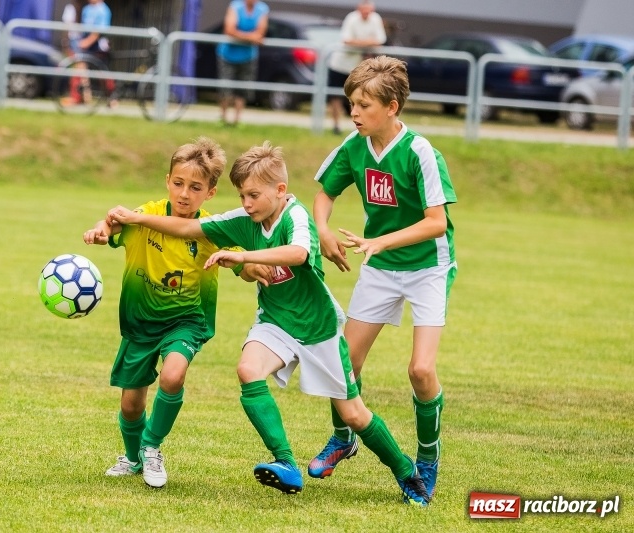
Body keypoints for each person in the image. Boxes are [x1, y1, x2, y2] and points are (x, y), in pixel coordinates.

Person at [106, 141, 430, 505]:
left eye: (254, 195)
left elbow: (298, 253)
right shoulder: (245, 220)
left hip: (317, 328)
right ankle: (286, 462)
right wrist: (134, 219)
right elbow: (185, 230)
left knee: (354, 415)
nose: (246, 204)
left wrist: (240, 254)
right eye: (242, 195)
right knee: (247, 369)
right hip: (274, 323)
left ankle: (407, 473)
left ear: (280, 191)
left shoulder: (295, 217)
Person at [311, 55, 457, 502]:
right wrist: (323, 230)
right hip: (381, 266)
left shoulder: (421, 153)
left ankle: (426, 460)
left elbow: (436, 222)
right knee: (344, 364)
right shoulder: (354, 146)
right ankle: (343, 438)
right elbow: (323, 192)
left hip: (428, 267)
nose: (354, 113)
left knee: (420, 370)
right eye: (351, 103)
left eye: (364, 105)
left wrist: (381, 242)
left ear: (392, 107)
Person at [82, 137, 264, 489]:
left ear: (210, 193)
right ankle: (133, 457)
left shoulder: (213, 228)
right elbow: (115, 222)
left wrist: (252, 268)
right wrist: (101, 231)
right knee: (132, 406)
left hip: (187, 321)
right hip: (140, 323)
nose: (184, 194)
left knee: (172, 376)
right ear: (168, 181)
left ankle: (152, 448)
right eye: (178, 184)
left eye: (195, 187)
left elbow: (237, 258)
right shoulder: (147, 215)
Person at [327, 0, 386, 135]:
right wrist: (368, 43)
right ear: (359, 8)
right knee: (335, 96)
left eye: (369, 10)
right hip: (340, 64)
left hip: (358, 68)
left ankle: (358, 128)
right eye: (364, 10)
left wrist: (359, 43)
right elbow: (347, 40)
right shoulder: (351, 18)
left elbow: (380, 41)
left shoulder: (376, 19)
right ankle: (336, 126)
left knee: (360, 97)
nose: (366, 13)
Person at [215, 0, 269, 127]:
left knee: (243, 90)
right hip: (228, 54)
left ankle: (237, 121)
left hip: (248, 56)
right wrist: (251, 37)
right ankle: (223, 119)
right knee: (225, 87)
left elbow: (261, 32)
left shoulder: (262, 9)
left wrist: (240, 35)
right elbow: (229, 30)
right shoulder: (236, 6)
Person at [61, 0, 117, 108]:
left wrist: (86, 42)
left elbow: (98, 32)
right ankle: (81, 97)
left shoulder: (103, 10)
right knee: (80, 68)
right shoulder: (87, 9)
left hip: (98, 47)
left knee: (102, 73)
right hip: (86, 46)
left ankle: (112, 97)